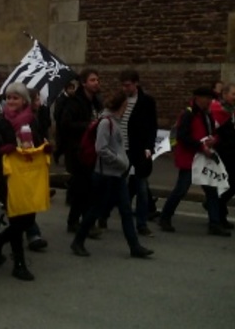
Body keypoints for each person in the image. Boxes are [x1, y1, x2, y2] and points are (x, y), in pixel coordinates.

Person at [69, 91, 154, 258]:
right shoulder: (106, 123)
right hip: (105, 174)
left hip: (117, 174)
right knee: (95, 210)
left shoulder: (115, 122)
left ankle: (134, 246)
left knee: (126, 211)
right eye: (125, 106)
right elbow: (101, 149)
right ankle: (78, 241)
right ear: (121, 105)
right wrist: (120, 162)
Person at [0, 83, 50, 280]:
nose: (11, 101)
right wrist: (2, 150)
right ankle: (19, 264)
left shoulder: (33, 120)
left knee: (28, 219)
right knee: (17, 218)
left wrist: (45, 147)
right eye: (9, 98)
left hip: (29, 176)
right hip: (7, 177)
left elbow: (38, 142)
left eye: (16, 98)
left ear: (24, 102)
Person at [159, 86, 219, 234]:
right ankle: (165, 217)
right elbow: (183, 137)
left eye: (210, 99)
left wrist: (213, 140)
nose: (209, 102)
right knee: (181, 190)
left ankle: (215, 224)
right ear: (198, 98)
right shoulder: (188, 114)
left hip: (203, 157)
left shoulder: (207, 114)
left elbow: (213, 132)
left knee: (211, 191)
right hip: (190, 158)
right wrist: (201, 146)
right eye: (207, 98)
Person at [56, 69, 103, 233]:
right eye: (92, 80)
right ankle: (83, 223)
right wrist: (88, 125)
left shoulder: (96, 102)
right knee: (84, 187)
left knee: (83, 188)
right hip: (78, 151)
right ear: (84, 83)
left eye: (97, 79)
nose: (96, 82)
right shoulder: (74, 102)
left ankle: (75, 221)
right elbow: (65, 124)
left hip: (93, 150)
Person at [119, 70, 159, 237]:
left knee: (142, 188)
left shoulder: (146, 102)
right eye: (123, 85)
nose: (125, 88)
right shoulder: (120, 100)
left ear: (136, 84)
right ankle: (103, 215)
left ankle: (141, 224)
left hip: (138, 149)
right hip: (121, 149)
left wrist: (149, 148)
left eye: (127, 85)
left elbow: (152, 126)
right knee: (115, 185)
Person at [209, 82, 235, 231]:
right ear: (224, 94)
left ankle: (219, 210)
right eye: (233, 94)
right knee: (230, 183)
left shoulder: (232, 111)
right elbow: (215, 132)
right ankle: (219, 213)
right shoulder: (217, 110)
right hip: (224, 153)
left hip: (233, 153)